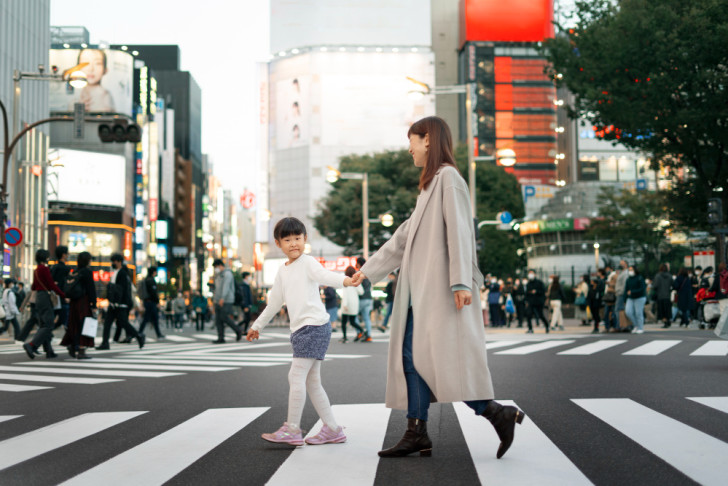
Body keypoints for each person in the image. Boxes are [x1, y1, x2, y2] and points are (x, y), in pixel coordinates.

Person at [352, 116, 524, 459]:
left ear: (428, 139)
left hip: (441, 291)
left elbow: (461, 231)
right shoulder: (430, 186)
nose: (410, 149)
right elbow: (403, 236)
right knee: (413, 359)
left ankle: (492, 412)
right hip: (421, 292)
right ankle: (418, 431)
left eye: (412, 141)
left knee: (440, 362)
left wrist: (461, 281)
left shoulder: (449, 179)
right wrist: (367, 271)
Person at [247, 217, 354, 446]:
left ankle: (293, 429)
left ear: (306, 239)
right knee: (312, 381)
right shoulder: (283, 271)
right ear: (278, 243)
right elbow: (274, 303)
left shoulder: (307, 262)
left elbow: (325, 276)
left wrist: (346, 280)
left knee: (296, 376)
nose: (293, 243)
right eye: (287, 239)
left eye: (298, 238)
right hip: (302, 329)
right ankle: (333, 429)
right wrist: (257, 326)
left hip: (313, 326)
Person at [22, 249, 66, 359]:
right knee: (48, 325)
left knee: (43, 324)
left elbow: (33, 287)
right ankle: (31, 345)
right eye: (48, 257)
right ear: (45, 258)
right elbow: (51, 284)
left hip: (38, 298)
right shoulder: (44, 269)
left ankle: (49, 350)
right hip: (45, 298)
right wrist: (63, 294)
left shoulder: (36, 270)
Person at [98, 253, 144, 350]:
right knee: (108, 323)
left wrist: (108, 284)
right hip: (115, 303)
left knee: (123, 323)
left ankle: (138, 336)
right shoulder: (117, 272)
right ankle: (105, 343)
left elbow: (120, 289)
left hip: (120, 304)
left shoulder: (122, 273)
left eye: (114, 261)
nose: (112, 263)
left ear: (119, 262)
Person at [60, 251, 97, 359]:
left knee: (74, 324)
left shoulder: (76, 271)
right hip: (83, 302)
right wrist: (93, 305)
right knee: (84, 325)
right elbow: (91, 289)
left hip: (74, 302)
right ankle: (80, 350)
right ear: (87, 260)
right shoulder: (87, 272)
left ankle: (73, 345)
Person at [212, 259, 243, 344]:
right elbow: (217, 289)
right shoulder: (219, 275)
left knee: (224, 317)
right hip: (218, 300)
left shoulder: (227, 274)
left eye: (216, 267)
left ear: (220, 265)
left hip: (226, 300)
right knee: (218, 320)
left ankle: (238, 330)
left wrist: (222, 298)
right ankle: (221, 337)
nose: (216, 269)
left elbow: (226, 287)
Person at [340, 266, 365, 343]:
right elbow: (361, 292)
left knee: (344, 322)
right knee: (352, 321)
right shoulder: (356, 281)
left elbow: (345, 294)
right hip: (354, 303)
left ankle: (345, 337)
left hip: (346, 304)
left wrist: (344, 304)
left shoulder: (346, 281)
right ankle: (362, 331)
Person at [138, 267, 165, 339]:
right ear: (153, 272)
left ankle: (141, 332)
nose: (156, 273)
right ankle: (140, 333)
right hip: (151, 303)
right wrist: (157, 302)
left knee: (149, 318)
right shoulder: (151, 281)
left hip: (147, 301)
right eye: (155, 272)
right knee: (152, 318)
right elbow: (153, 293)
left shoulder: (146, 280)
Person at [51, 245, 71, 330]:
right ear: (63, 255)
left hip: (54, 296)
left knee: (55, 317)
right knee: (64, 318)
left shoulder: (54, 267)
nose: (68, 255)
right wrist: (65, 296)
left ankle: (47, 335)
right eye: (67, 253)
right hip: (61, 297)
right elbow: (63, 284)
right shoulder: (64, 268)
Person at [355, 257, 374, 342]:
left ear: (358, 264)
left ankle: (359, 332)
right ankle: (369, 335)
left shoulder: (359, 273)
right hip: (368, 298)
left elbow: (357, 286)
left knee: (353, 316)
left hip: (361, 299)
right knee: (366, 318)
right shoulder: (369, 273)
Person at [625, 265, 647, 334]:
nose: (630, 271)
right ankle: (636, 325)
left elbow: (642, 288)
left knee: (638, 313)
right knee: (628, 312)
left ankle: (640, 327)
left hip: (640, 297)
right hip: (630, 298)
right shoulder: (628, 279)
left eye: (631, 270)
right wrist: (624, 299)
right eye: (629, 270)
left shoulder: (640, 278)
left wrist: (632, 291)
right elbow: (626, 289)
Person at [652, 263, 673, 328]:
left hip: (660, 296)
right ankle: (668, 320)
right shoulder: (670, 276)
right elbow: (672, 284)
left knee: (661, 310)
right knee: (667, 310)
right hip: (667, 296)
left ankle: (665, 322)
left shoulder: (657, 276)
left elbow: (655, 286)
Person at [602, 266, 619, 332]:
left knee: (613, 312)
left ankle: (613, 326)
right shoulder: (609, 275)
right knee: (606, 313)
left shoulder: (614, 275)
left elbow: (616, 284)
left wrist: (609, 283)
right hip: (608, 295)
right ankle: (607, 327)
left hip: (613, 295)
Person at [615, 260, 629, 329]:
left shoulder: (625, 273)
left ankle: (620, 326)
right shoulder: (621, 273)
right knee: (620, 310)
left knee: (619, 310)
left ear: (626, 265)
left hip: (621, 294)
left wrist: (620, 292)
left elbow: (624, 284)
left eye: (622, 264)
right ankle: (622, 325)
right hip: (619, 293)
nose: (620, 265)